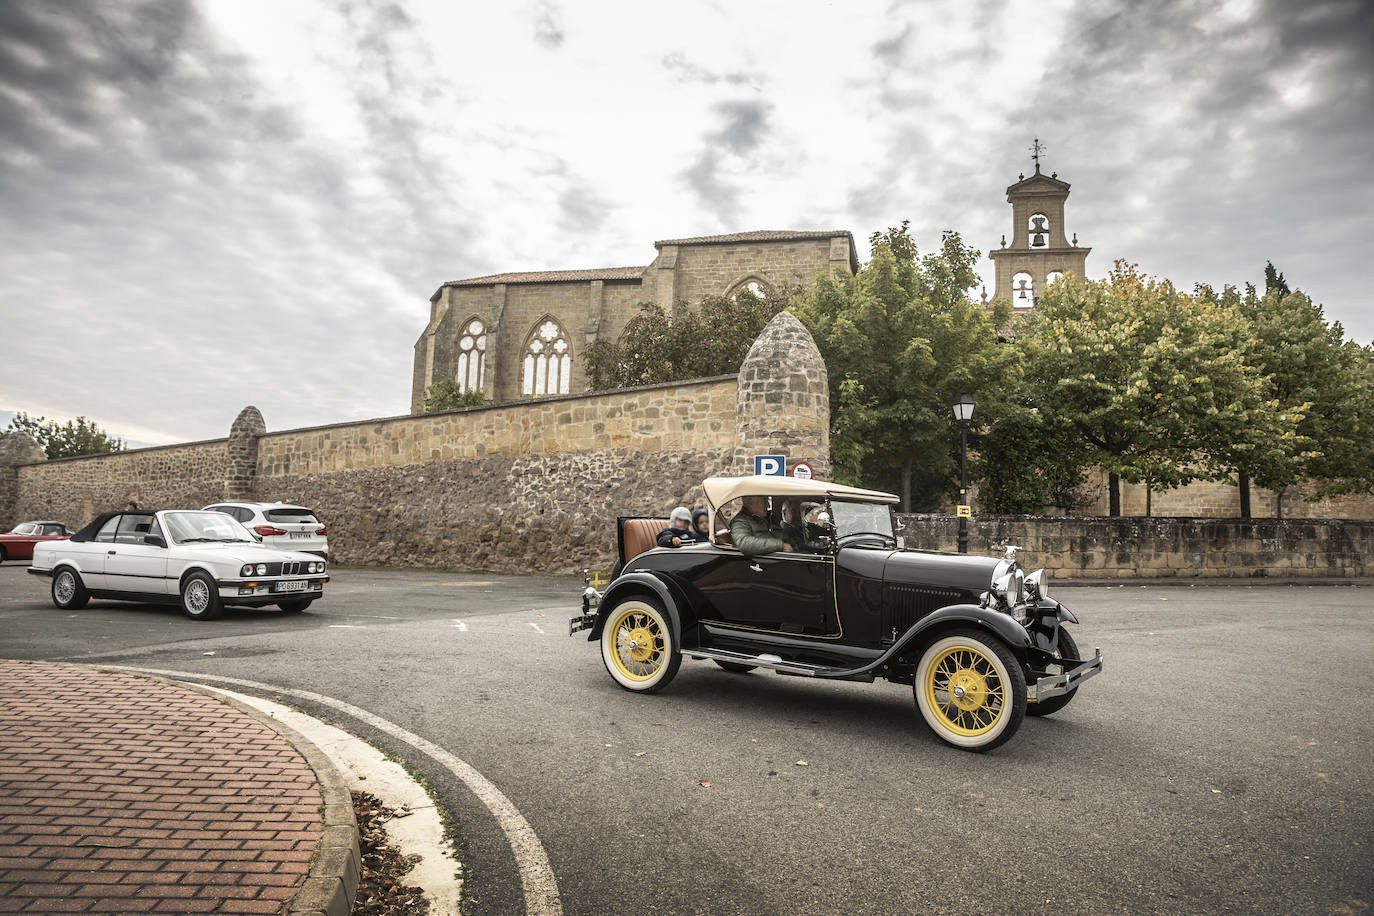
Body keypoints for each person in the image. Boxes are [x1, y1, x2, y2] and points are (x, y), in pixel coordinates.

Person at [729, 495, 794, 557]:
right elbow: (744, 542)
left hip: (786, 558)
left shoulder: (771, 518)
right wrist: (780, 546)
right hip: (760, 564)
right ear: (750, 501)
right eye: (765, 500)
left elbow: (786, 538)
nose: (768, 505)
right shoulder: (740, 521)